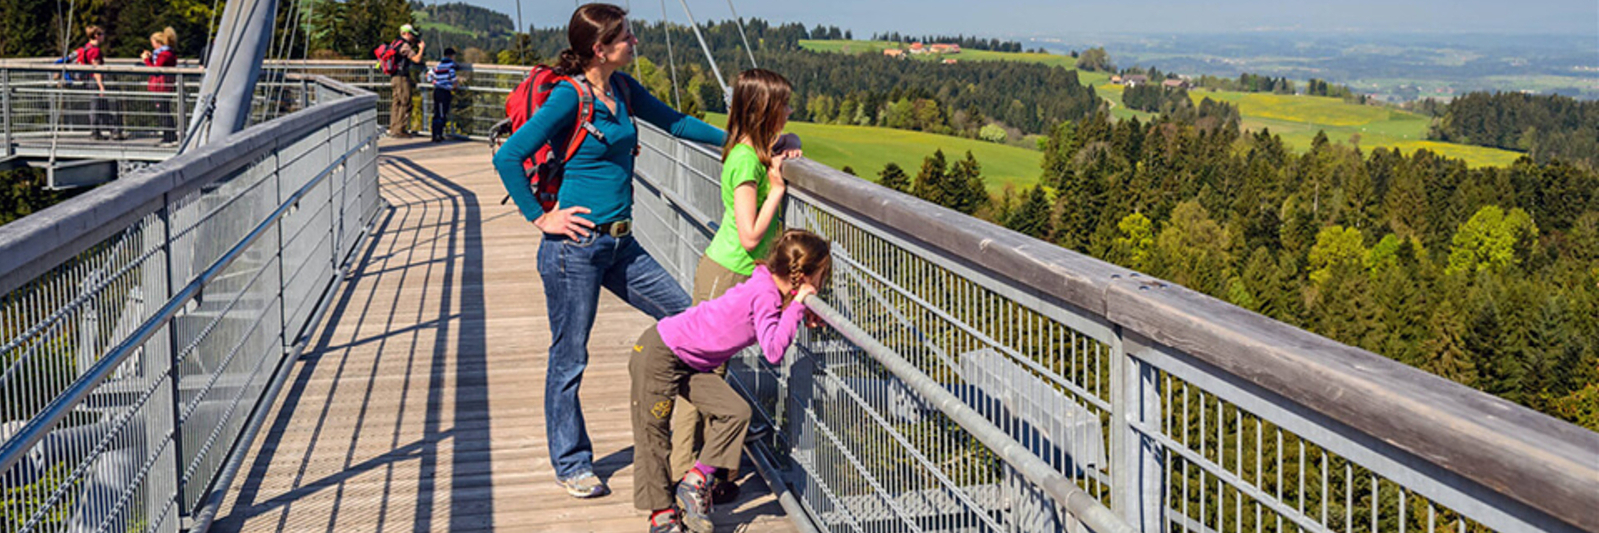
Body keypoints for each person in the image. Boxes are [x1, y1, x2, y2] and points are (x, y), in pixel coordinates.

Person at [490, 3, 727, 499]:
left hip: (622, 245)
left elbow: (678, 124)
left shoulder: (620, 89)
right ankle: (572, 461)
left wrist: (748, 143)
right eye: (626, 37)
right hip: (573, 249)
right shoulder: (567, 97)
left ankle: (706, 428)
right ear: (600, 48)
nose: (634, 42)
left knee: (688, 319)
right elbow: (509, 154)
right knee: (570, 357)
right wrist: (542, 216)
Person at [631, 230, 830, 533]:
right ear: (803, 276)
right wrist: (800, 305)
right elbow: (774, 350)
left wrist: (799, 309)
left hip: (690, 361)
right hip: (659, 353)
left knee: (736, 412)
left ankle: (695, 480)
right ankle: (662, 516)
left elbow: (773, 314)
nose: (822, 283)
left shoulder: (766, 282)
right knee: (654, 434)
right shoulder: (765, 293)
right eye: (821, 275)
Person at [668, 68, 801, 504]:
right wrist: (778, 189)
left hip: (743, 272)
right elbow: (748, 234)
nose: (788, 110)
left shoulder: (754, 152)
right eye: (782, 104)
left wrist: (786, 145)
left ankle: (717, 473)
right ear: (763, 108)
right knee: (701, 374)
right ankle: (683, 472)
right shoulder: (745, 160)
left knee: (715, 377)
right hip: (727, 271)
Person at [79, 26, 124, 141]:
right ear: (96, 36)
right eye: (102, 34)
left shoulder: (85, 48)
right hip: (95, 81)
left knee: (98, 107)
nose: (104, 37)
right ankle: (101, 132)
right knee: (99, 107)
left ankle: (101, 131)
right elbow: (96, 69)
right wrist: (101, 86)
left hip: (88, 80)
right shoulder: (95, 50)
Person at [141, 27, 179, 144]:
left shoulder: (164, 54)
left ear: (158, 43)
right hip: (163, 85)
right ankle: (169, 135)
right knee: (163, 111)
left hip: (161, 86)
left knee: (163, 111)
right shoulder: (165, 54)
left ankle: (169, 137)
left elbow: (156, 69)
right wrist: (151, 58)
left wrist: (147, 60)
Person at [388, 24, 425, 137]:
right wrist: (421, 49)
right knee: (405, 102)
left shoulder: (394, 43)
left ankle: (394, 128)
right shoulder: (404, 46)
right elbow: (416, 59)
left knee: (396, 103)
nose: (413, 37)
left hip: (394, 76)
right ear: (407, 34)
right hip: (402, 77)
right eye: (412, 34)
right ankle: (400, 130)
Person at [425, 47, 458, 142]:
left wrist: (434, 82)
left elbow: (428, 76)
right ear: (451, 56)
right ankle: (438, 134)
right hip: (445, 91)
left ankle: (435, 133)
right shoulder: (450, 66)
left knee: (437, 112)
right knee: (442, 113)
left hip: (437, 91)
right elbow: (453, 79)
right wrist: (454, 86)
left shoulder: (438, 66)